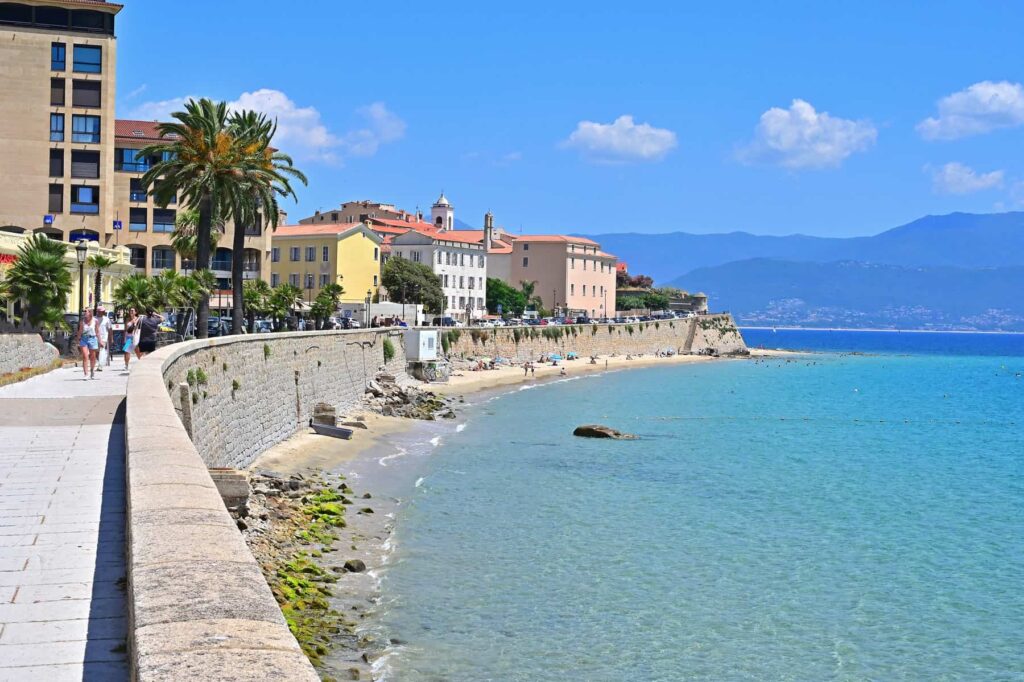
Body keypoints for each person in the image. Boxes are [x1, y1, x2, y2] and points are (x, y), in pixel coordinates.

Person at [78, 309, 99, 380]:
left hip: (92, 338)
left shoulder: (95, 321)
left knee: (93, 357)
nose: (84, 313)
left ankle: (92, 370)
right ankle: (86, 374)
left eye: (86, 311)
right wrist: (78, 339)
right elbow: (80, 331)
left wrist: (100, 341)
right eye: (84, 312)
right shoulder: (82, 322)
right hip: (84, 339)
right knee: (85, 356)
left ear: (90, 313)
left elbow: (97, 331)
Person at [95, 306, 111, 371]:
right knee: (97, 352)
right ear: (98, 311)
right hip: (95, 337)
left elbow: (110, 329)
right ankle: (100, 362)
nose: (102, 312)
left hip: (104, 337)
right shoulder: (94, 319)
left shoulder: (106, 319)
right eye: (101, 311)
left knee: (101, 350)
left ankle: (100, 365)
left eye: (103, 311)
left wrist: (111, 338)